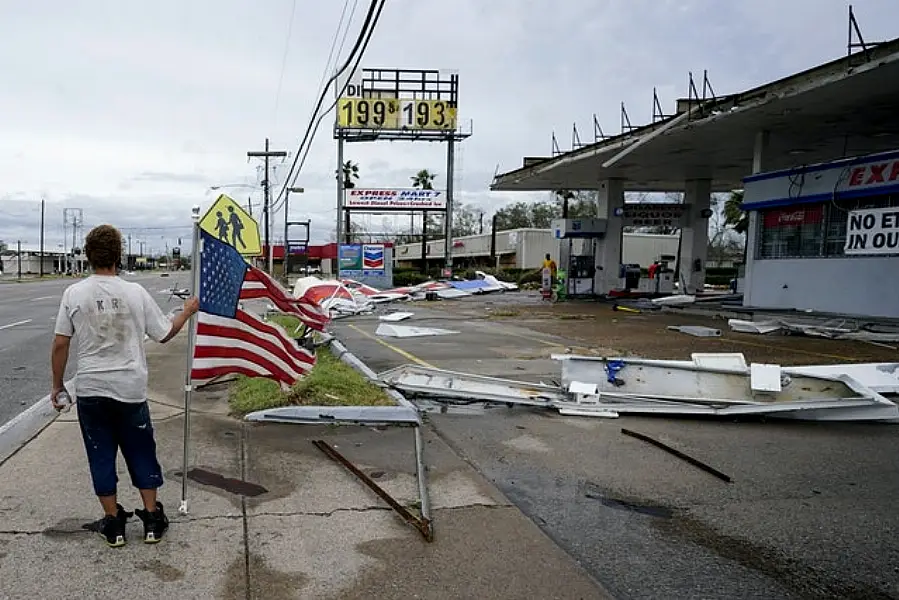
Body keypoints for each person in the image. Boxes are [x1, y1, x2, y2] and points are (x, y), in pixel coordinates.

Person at [50, 224, 199, 548]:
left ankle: (114, 524)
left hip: (91, 390)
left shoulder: (73, 294)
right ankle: (151, 520)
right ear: (119, 255)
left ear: (88, 256)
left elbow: (61, 344)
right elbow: (163, 333)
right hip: (130, 390)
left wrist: (58, 386)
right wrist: (186, 312)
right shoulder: (135, 293)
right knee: (141, 451)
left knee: (100, 455)